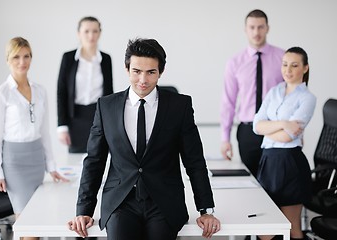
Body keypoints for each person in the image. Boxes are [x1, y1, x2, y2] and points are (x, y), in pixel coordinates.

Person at [67, 38, 220, 240]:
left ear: (161, 72)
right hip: (120, 202)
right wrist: (84, 210)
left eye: (151, 72)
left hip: (164, 201)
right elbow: (94, 160)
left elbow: (194, 161)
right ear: (127, 69)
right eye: (136, 71)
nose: (143, 80)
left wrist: (206, 209)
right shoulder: (106, 107)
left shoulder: (179, 106)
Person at [0, 37, 68, 240]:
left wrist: (51, 166)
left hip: (36, 162)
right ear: (8, 60)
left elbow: (44, 133)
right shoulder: (1, 93)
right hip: (14, 164)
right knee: (29, 227)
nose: (22, 62)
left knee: (39, 223)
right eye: (16, 57)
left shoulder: (40, 91)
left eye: (26, 56)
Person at [253, 47, 316, 240]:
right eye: (285, 64)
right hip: (268, 162)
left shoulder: (307, 98)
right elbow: (256, 126)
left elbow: (288, 137)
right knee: (265, 231)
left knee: (292, 229)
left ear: (305, 68)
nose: (288, 70)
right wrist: (283, 124)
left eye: (294, 65)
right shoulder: (274, 91)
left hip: (290, 164)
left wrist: (269, 129)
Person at [220, 9, 285, 177]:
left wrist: (295, 132)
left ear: (267, 28)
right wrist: (225, 138)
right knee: (252, 180)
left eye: (260, 27)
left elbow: (291, 95)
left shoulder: (283, 58)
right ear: (245, 29)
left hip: (275, 129)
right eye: (252, 27)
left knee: (275, 180)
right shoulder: (234, 62)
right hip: (248, 131)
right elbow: (229, 102)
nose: (256, 32)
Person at [57, 16, 113, 153]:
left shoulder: (105, 59)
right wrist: (62, 126)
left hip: (98, 117)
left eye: (95, 31)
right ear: (79, 34)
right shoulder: (68, 58)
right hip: (75, 117)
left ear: (99, 33)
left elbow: (109, 93)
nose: (91, 35)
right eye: (86, 31)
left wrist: (111, 124)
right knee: (75, 161)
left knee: (98, 157)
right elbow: (61, 92)